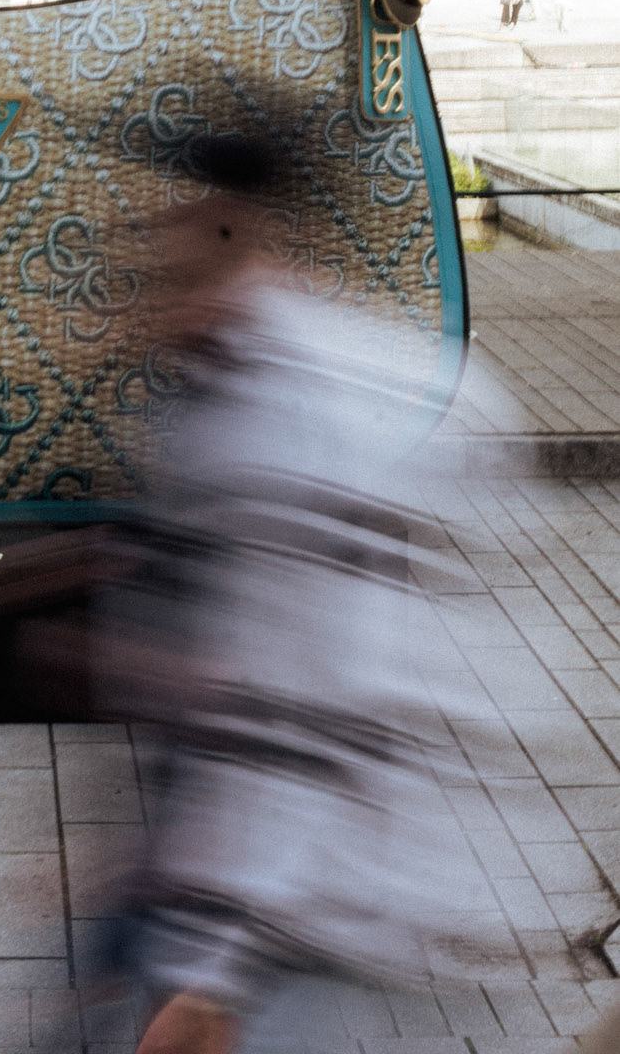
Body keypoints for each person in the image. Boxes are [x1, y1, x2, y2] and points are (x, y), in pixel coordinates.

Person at [97, 134, 495, 1054]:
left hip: (286, 911)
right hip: (225, 868)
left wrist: (217, 968)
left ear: (229, 230)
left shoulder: (295, 422)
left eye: (164, 252)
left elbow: (321, 700)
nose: (137, 294)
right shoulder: (237, 393)